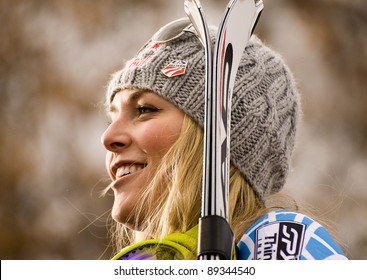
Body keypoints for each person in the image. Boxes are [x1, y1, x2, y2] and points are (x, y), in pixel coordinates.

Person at [101, 17, 347, 260]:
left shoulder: (278, 241)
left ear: (222, 138)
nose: (108, 137)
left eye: (145, 110)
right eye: (112, 118)